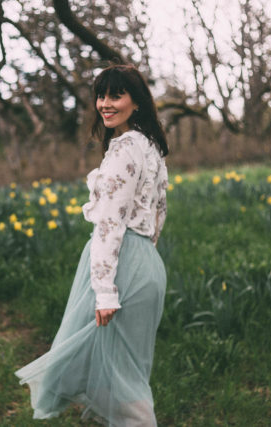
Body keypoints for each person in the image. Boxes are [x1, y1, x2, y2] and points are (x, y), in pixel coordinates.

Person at [15, 63, 169, 427]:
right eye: (101, 95)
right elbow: (160, 213)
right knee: (124, 365)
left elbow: (109, 224)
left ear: (137, 103)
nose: (105, 103)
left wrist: (105, 290)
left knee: (122, 377)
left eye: (116, 95)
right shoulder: (152, 149)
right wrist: (143, 259)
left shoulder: (124, 149)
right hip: (147, 263)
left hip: (120, 266)